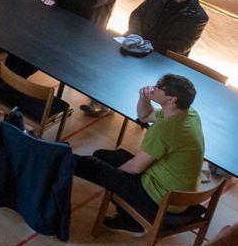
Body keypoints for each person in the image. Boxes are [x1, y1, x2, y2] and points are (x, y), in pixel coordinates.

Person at [73, 74, 204, 233]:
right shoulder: (188, 113)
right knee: (101, 155)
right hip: (175, 191)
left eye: (159, 87)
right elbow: (145, 116)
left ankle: (131, 222)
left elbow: (135, 168)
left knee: (92, 167)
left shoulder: (166, 128)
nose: (153, 88)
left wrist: (113, 176)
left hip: (163, 199)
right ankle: (128, 216)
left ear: (171, 99)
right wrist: (144, 98)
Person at [127, 0, 209, 56]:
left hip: (161, 55)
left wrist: (148, 44)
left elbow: (182, 45)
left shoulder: (198, 17)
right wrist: (136, 36)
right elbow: (137, 15)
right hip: (135, 42)